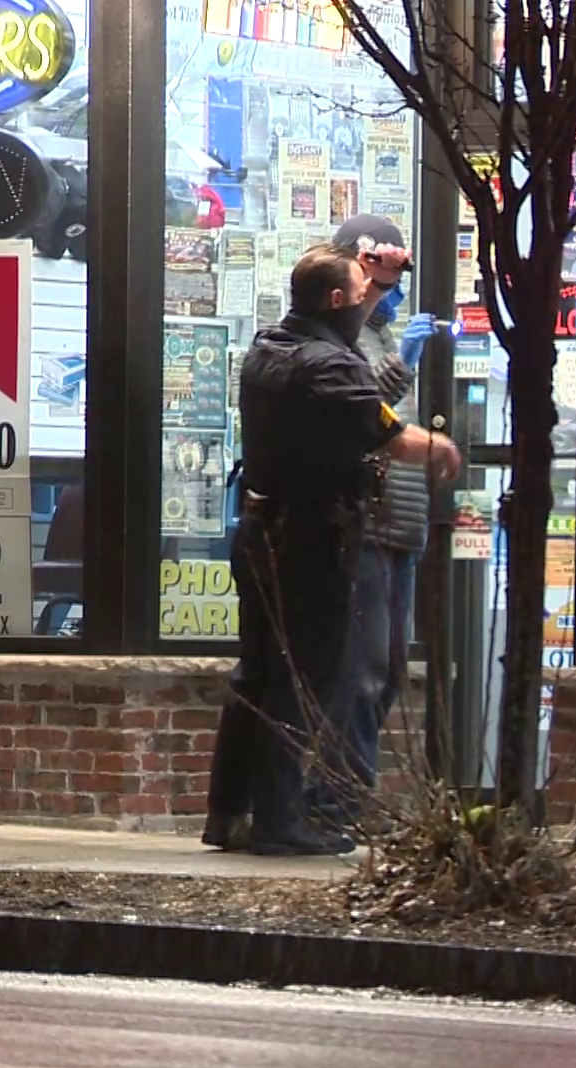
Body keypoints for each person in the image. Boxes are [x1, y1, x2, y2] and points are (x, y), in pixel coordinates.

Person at [202, 243, 462, 857]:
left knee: (259, 672)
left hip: (261, 528)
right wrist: (442, 449)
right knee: (305, 679)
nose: (370, 301)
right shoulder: (330, 365)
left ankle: (228, 812)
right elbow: (390, 435)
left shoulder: (268, 349)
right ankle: (280, 820)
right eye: (360, 293)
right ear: (338, 301)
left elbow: (339, 334)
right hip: (311, 540)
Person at [306, 215, 440, 830]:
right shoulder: (344, 338)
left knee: (382, 677)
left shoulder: (381, 335)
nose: (385, 293)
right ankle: (336, 806)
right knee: (360, 676)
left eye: (392, 280)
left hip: (401, 529)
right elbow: (365, 411)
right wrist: (403, 362)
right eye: (375, 280)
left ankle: (337, 798)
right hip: (369, 527)